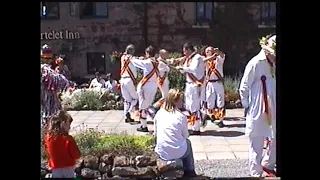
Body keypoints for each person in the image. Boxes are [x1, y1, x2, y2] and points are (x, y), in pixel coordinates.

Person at [239, 34, 276, 177]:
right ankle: (255, 172)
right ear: (267, 51)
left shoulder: (273, 63)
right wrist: (247, 105)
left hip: (273, 106)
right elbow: (244, 87)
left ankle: (268, 164)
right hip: (258, 107)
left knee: (274, 137)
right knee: (256, 139)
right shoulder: (255, 63)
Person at [154, 89, 197, 177]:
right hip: (177, 151)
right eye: (181, 100)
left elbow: (155, 133)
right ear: (175, 101)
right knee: (188, 143)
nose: (182, 102)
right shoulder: (181, 116)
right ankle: (189, 171)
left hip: (162, 151)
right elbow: (186, 135)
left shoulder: (159, 113)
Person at [175, 43, 205, 135]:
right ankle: (198, 121)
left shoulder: (198, 57)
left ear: (188, 50)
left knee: (194, 106)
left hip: (195, 85)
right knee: (188, 106)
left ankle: (196, 128)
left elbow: (193, 69)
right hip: (189, 84)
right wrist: (180, 69)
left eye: (184, 51)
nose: (184, 53)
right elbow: (186, 70)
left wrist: (183, 68)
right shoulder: (189, 59)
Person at [44, 110, 81, 178]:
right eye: (68, 124)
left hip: (55, 168)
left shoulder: (48, 139)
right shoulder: (68, 139)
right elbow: (76, 155)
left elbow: (48, 153)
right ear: (63, 124)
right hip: (68, 169)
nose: (70, 127)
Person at [130, 46, 159, 132]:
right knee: (148, 104)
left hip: (146, 86)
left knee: (143, 106)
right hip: (154, 85)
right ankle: (155, 122)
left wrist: (132, 58)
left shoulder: (147, 62)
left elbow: (136, 63)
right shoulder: (157, 62)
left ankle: (144, 126)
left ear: (147, 53)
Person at [202, 46, 226, 128]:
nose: (210, 51)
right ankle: (212, 117)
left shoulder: (219, 59)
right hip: (210, 84)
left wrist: (218, 52)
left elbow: (222, 55)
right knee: (210, 101)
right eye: (207, 51)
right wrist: (210, 57)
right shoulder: (205, 61)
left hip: (218, 82)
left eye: (211, 50)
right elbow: (201, 61)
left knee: (220, 101)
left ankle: (221, 120)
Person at [120, 44, 139, 123]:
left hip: (122, 80)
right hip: (129, 80)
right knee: (135, 98)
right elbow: (136, 60)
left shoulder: (122, 57)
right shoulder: (131, 58)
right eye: (133, 50)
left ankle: (126, 117)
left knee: (127, 100)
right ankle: (129, 112)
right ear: (131, 51)